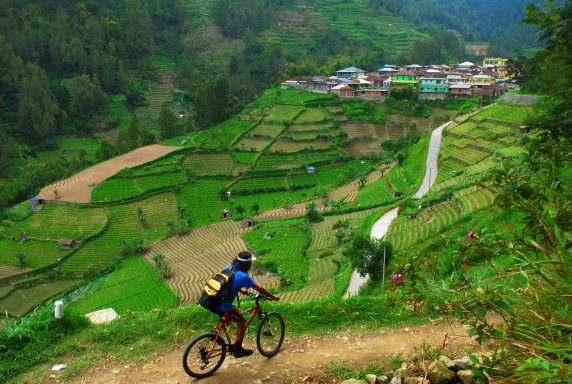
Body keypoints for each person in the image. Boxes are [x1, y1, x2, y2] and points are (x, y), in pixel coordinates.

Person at [212, 250, 279, 358]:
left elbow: (227, 282)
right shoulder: (244, 276)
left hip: (214, 300)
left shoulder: (229, 266)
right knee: (242, 321)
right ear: (247, 264)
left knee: (233, 314)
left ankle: (214, 335)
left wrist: (240, 289)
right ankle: (238, 349)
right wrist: (273, 297)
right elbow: (260, 289)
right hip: (223, 304)